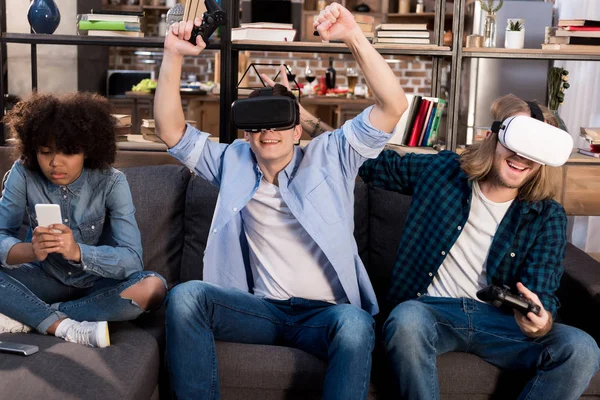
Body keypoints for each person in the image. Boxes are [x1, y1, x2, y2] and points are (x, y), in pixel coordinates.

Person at [154, 2, 407, 398]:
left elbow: (393, 105)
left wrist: (353, 35)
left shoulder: (332, 155)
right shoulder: (233, 161)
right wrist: (172, 54)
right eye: (256, 124)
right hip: (261, 311)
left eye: (278, 122)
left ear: (297, 130)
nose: (266, 132)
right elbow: (171, 131)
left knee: (357, 324)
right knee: (185, 297)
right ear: (245, 133)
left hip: (327, 314)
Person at [358, 94, 600, 399]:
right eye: (517, 140)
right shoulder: (443, 172)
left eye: (535, 150)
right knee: (405, 321)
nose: (522, 156)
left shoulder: (546, 215)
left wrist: (539, 323)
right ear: (493, 137)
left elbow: (543, 295)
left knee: (581, 347)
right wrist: (303, 125)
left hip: (501, 322)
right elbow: (363, 160)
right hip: (430, 312)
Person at [0, 92, 167, 348]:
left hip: (97, 286)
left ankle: (32, 315)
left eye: (68, 152)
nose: (55, 163)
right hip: (44, 278)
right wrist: (31, 251)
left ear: (87, 150)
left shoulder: (111, 182)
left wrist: (78, 252)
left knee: (152, 289)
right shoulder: (23, 173)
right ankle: (62, 326)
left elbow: (132, 260)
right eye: (45, 152)